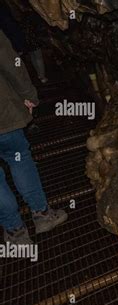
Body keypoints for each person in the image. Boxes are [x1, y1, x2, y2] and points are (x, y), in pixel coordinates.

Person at [0, 29, 67, 245]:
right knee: (18, 158)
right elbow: (11, 62)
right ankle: (42, 215)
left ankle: (16, 232)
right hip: (4, 115)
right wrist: (29, 95)